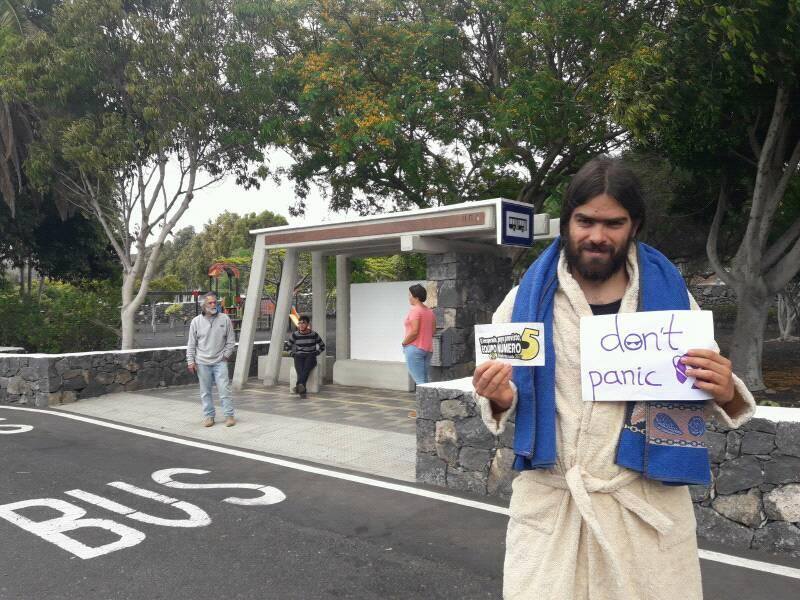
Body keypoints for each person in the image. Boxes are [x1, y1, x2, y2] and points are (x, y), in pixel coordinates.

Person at [472, 156, 755, 600]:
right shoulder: (523, 300)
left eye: (613, 223)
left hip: (642, 510)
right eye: (584, 221)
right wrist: (499, 396)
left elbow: (716, 393)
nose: (597, 236)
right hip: (553, 511)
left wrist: (727, 391)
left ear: (634, 225)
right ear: (566, 222)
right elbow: (503, 395)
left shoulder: (671, 299)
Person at [186, 291, 236, 427]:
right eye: (210, 303)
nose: (214, 305)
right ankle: (209, 416)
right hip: (202, 362)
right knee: (205, 392)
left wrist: (226, 356)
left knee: (224, 390)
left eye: (215, 302)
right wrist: (190, 361)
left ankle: (229, 415)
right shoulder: (196, 322)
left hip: (220, 361)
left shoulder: (225, 319)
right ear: (203, 305)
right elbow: (191, 344)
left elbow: (231, 340)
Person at [402, 283, 435, 384]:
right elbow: (433, 330)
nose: (409, 297)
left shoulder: (415, 311)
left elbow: (414, 331)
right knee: (425, 380)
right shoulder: (430, 312)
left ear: (415, 297)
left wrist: (404, 343)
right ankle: (428, 400)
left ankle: (423, 400)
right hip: (428, 349)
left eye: (410, 295)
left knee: (420, 381)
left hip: (414, 348)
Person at [289, 315, 325, 397]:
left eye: (303, 323)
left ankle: (299, 388)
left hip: (311, 356)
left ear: (308, 324)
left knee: (305, 370)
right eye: (299, 323)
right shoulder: (295, 335)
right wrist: (292, 354)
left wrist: (316, 353)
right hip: (299, 356)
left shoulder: (314, 334)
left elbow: (322, 346)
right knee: (300, 371)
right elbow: (288, 346)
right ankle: (302, 390)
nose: (301, 325)